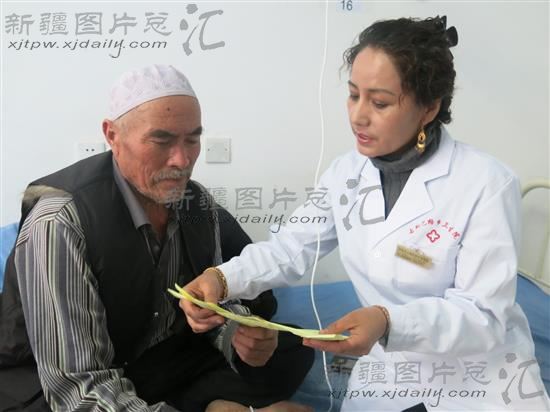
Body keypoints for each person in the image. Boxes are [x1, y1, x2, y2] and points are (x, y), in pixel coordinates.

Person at [181, 16, 550, 411]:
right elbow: (290, 247)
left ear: (429, 108)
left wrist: (387, 321)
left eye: (379, 102)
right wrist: (224, 278)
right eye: (353, 95)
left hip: (479, 376)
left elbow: (484, 316)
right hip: (389, 369)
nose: (358, 115)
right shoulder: (346, 174)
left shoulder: (486, 184)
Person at [0, 65, 314, 412]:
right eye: (162, 140)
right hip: (54, 380)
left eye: (192, 139)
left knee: (291, 346)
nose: (182, 160)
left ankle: (202, 400)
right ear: (112, 135)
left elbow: (211, 305)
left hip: (152, 360)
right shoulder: (60, 220)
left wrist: (236, 333)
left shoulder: (197, 203)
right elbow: (76, 384)